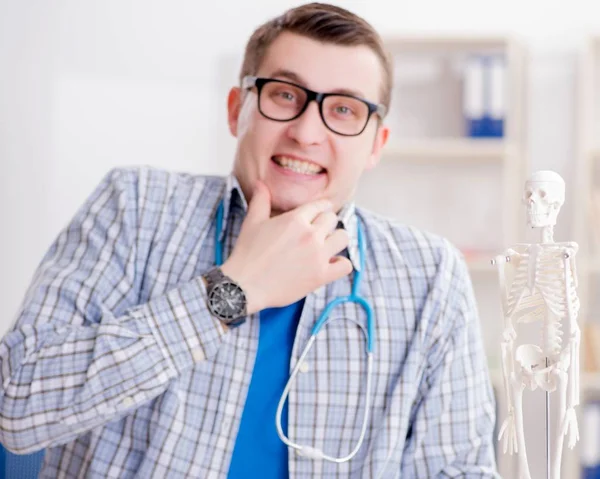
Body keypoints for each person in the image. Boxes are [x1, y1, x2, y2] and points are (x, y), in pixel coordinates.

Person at [0, 3, 499, 478]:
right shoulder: (134, 207)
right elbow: (16, 405)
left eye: (344, 110)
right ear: (238, 108)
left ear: (375, 145)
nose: (306, 132)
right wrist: (230, 292)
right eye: (285, 94)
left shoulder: (430, 275)